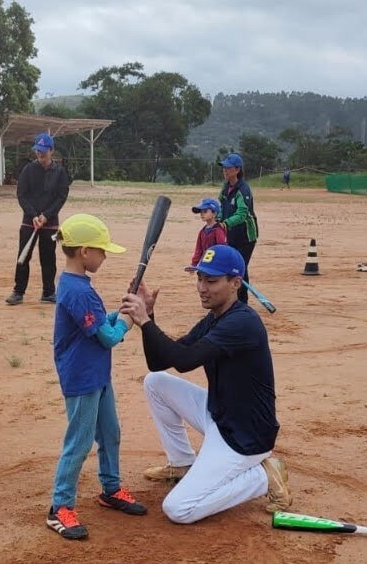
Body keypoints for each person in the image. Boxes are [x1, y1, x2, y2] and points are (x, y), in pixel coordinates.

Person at [120, 244, 291, 525]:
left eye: (211, 281)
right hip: (220, 414)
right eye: (200, 279)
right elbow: (160, 361)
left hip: (244, 438)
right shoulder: (214, 319)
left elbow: (185, 361)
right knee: (156, 382)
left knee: (178, 509)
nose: (202, 287)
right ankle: (182, 463)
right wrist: (150, 317)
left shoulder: (242, 323)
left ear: (235, 283)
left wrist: (145, 321)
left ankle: (263, 477)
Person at [47, 214, 147, 540]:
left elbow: (101, 323)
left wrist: (126, 309)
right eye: (102, 251)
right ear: (85, 252)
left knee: (110, 433)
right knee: (78, 443)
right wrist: (130, 323)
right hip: (82, 378)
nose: (105, 257)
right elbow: (107, 337)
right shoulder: (77, 292)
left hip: (97, 375)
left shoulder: (81, 286)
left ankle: (111, 488)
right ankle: (59, 508)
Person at [5, 133, 69, 305]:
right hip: (29, 221)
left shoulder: (60, 173)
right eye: (38, 151)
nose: (40, 154)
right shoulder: (28, 170)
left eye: (44, 151)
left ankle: (48, 292)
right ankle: (18, 292)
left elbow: (61, 197)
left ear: (52, 150)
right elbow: (22, 195)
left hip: (50, 223)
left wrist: (46, 216)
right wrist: (33, 215)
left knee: (48, 257)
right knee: (23, 257)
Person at [217, 152, 258, 303]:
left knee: (240, 267)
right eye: (224, 168)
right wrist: (219, 219)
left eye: (228, 168)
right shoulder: (225, 187)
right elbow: (221, 205)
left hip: (246, 236)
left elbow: (242, 214)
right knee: (234, 265)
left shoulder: (243, 189)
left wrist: (225, 223)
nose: (225, 171)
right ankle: (233, 299)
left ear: (237, 170)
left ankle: (242, 301)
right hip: (231, 234)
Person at [188, 197, 227, 268]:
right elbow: (198, 249)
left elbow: (222, 249)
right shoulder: (202, 231)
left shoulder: (218, 230)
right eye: (201, 212)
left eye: (205, 211)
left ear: (214, 214)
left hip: (216, 264)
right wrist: (194, 264)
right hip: (205, 263)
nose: (202, 214)